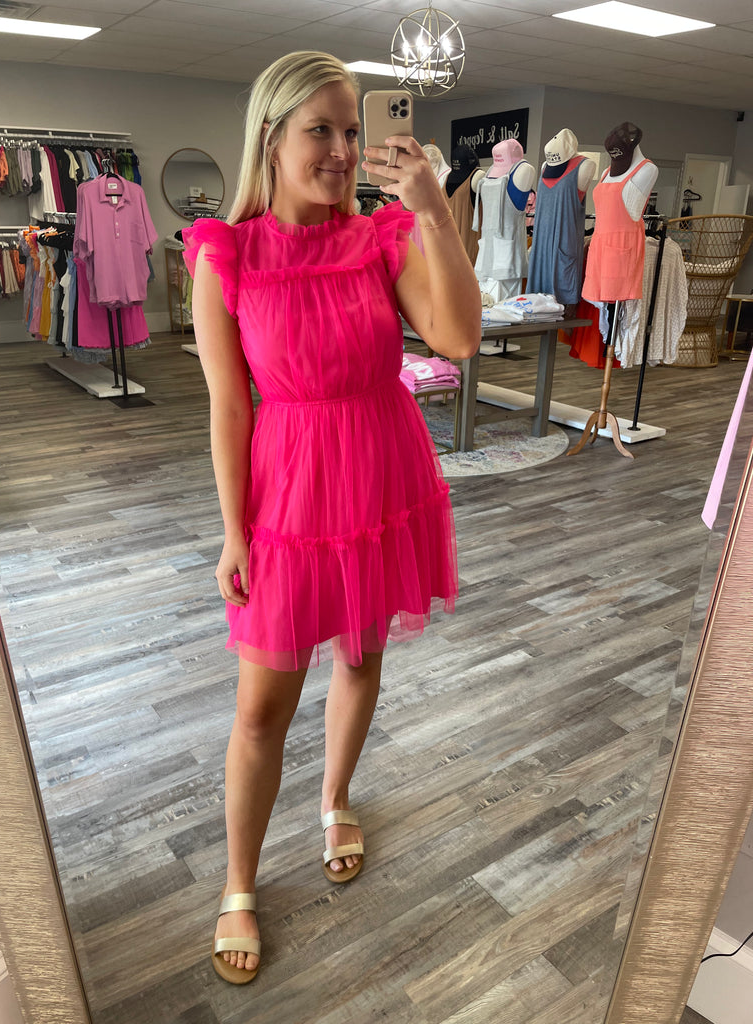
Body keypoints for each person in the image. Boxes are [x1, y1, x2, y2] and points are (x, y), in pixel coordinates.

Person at [183, 50, 481, 985]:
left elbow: (459, 337)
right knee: (260, 706)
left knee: (362, 653)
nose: (345, 150)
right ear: (272, 139)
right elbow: (228, 406)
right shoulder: (225, 253)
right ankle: (238, 881)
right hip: (286, 490)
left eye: (353, 131)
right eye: (322, 130)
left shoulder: (382, 239)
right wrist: (233, 530)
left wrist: (432, 210)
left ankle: (337, 796)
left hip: (382, 473)